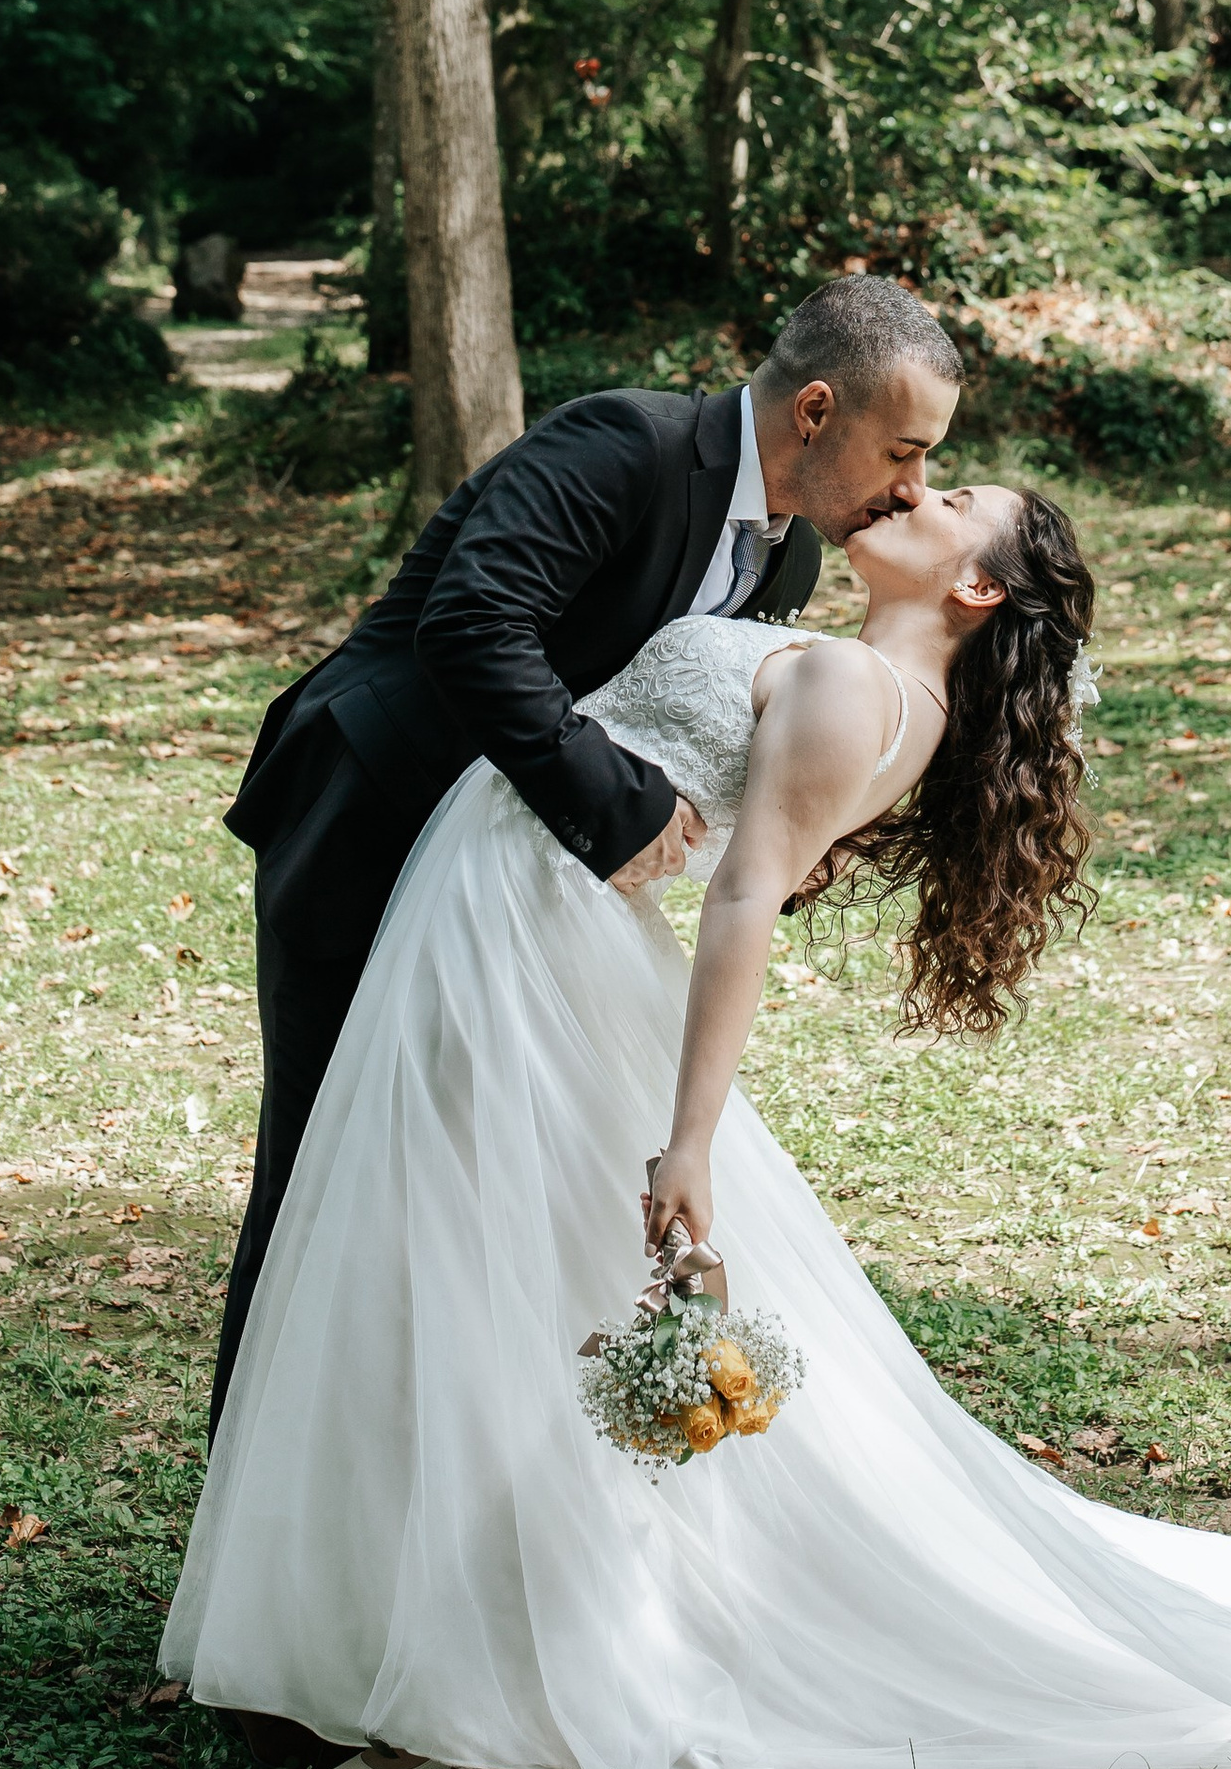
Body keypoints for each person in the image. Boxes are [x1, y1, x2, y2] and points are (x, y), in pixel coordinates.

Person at [164, 479, 1231, 1769]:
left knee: (487, 1275)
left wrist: (687, 1137)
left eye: (947, 499)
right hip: (511, 928)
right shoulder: (872, 680)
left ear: (980, 586)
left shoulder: (863, 689)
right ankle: (435, 1640)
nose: (911, 493)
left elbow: (744, 902)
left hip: (530, 951)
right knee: (466, 1271)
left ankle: (491, 1676)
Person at [206, 274, 965, 1430]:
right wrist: (619, 807)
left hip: (514, 901)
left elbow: (682, 720)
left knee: (461, 1185)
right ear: (817, 412)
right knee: (321, 1173)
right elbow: (468, 624)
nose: (909, 487)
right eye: (904, 452)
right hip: (369, 811)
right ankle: (252, 1526)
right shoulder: (624, 443)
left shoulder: (791, 561)